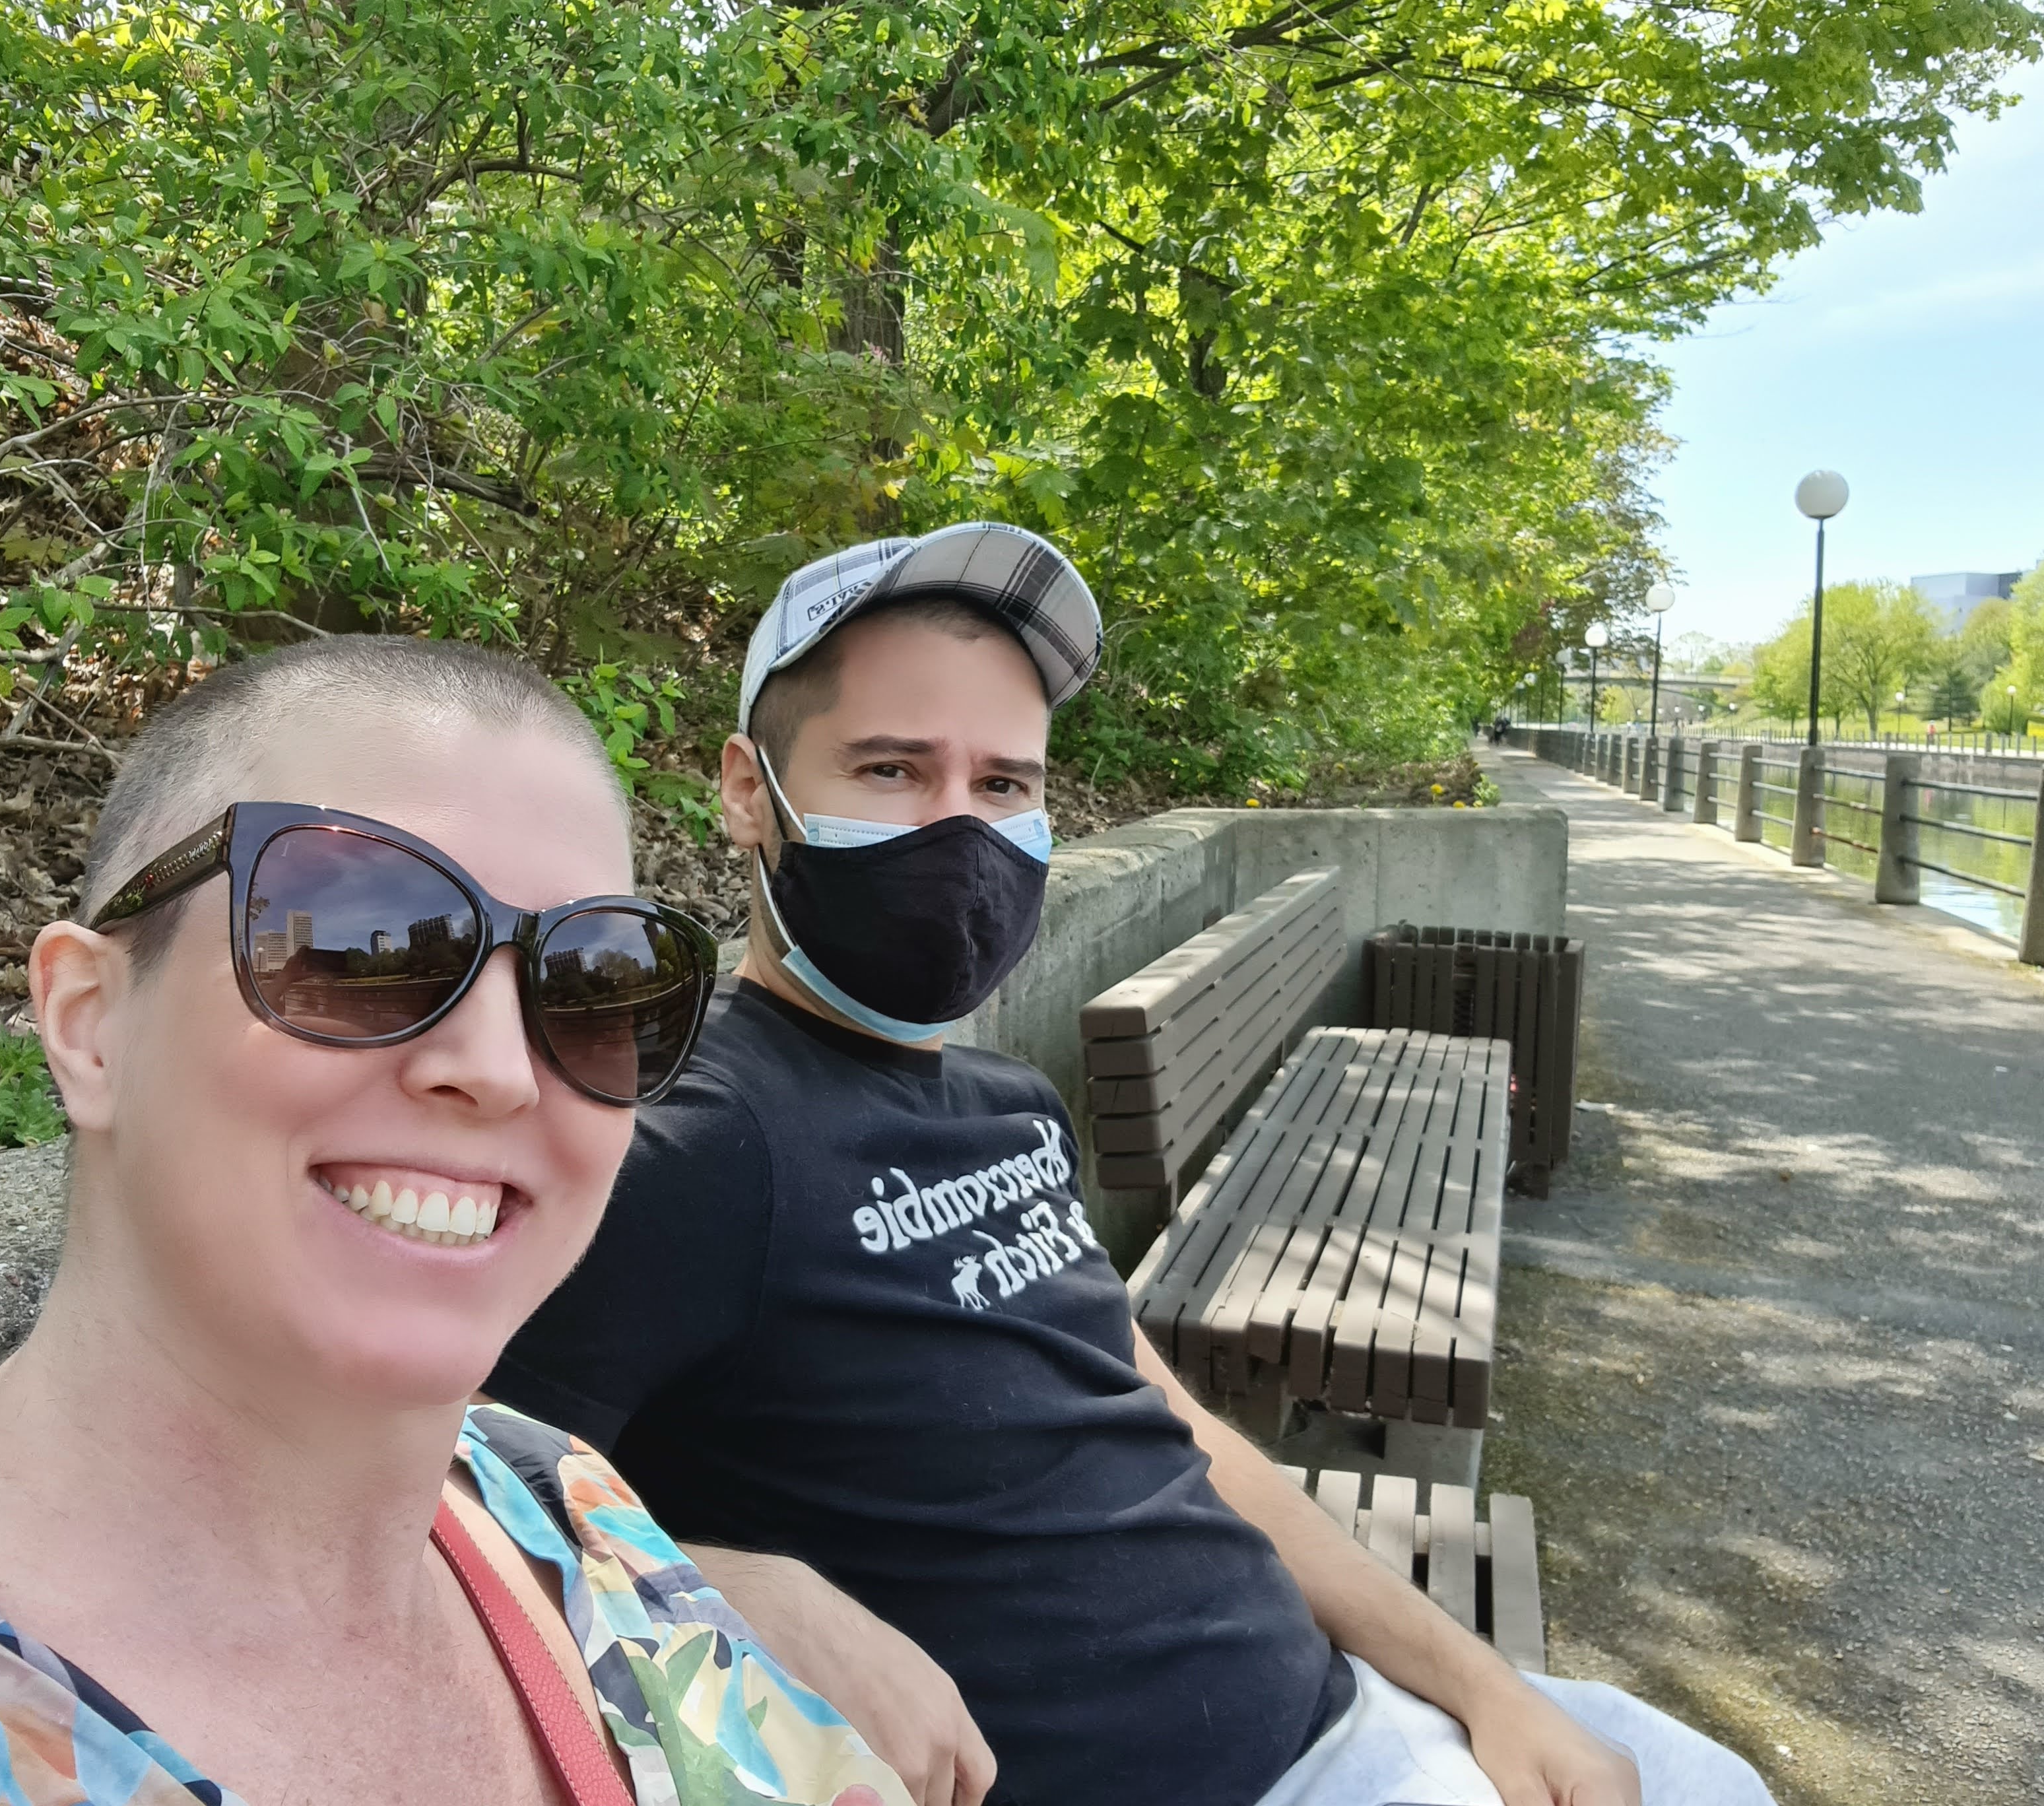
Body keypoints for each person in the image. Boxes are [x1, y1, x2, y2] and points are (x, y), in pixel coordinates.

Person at [489, 524, 1776, 1806]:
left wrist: (1489, 1690)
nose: (961, 834)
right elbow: (419, 1503)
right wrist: (717, 1590)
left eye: (1005, 786)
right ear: (746, 790)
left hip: (1353, 1711)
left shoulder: (1010, 1104)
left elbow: (1180, 1429)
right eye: (890, 769)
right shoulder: (698, 1139)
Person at [0, 638, 907, 1806]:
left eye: (593, 986)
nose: (499, 1069)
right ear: (90, 1025)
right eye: (355, 942)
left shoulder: (563, 1507)